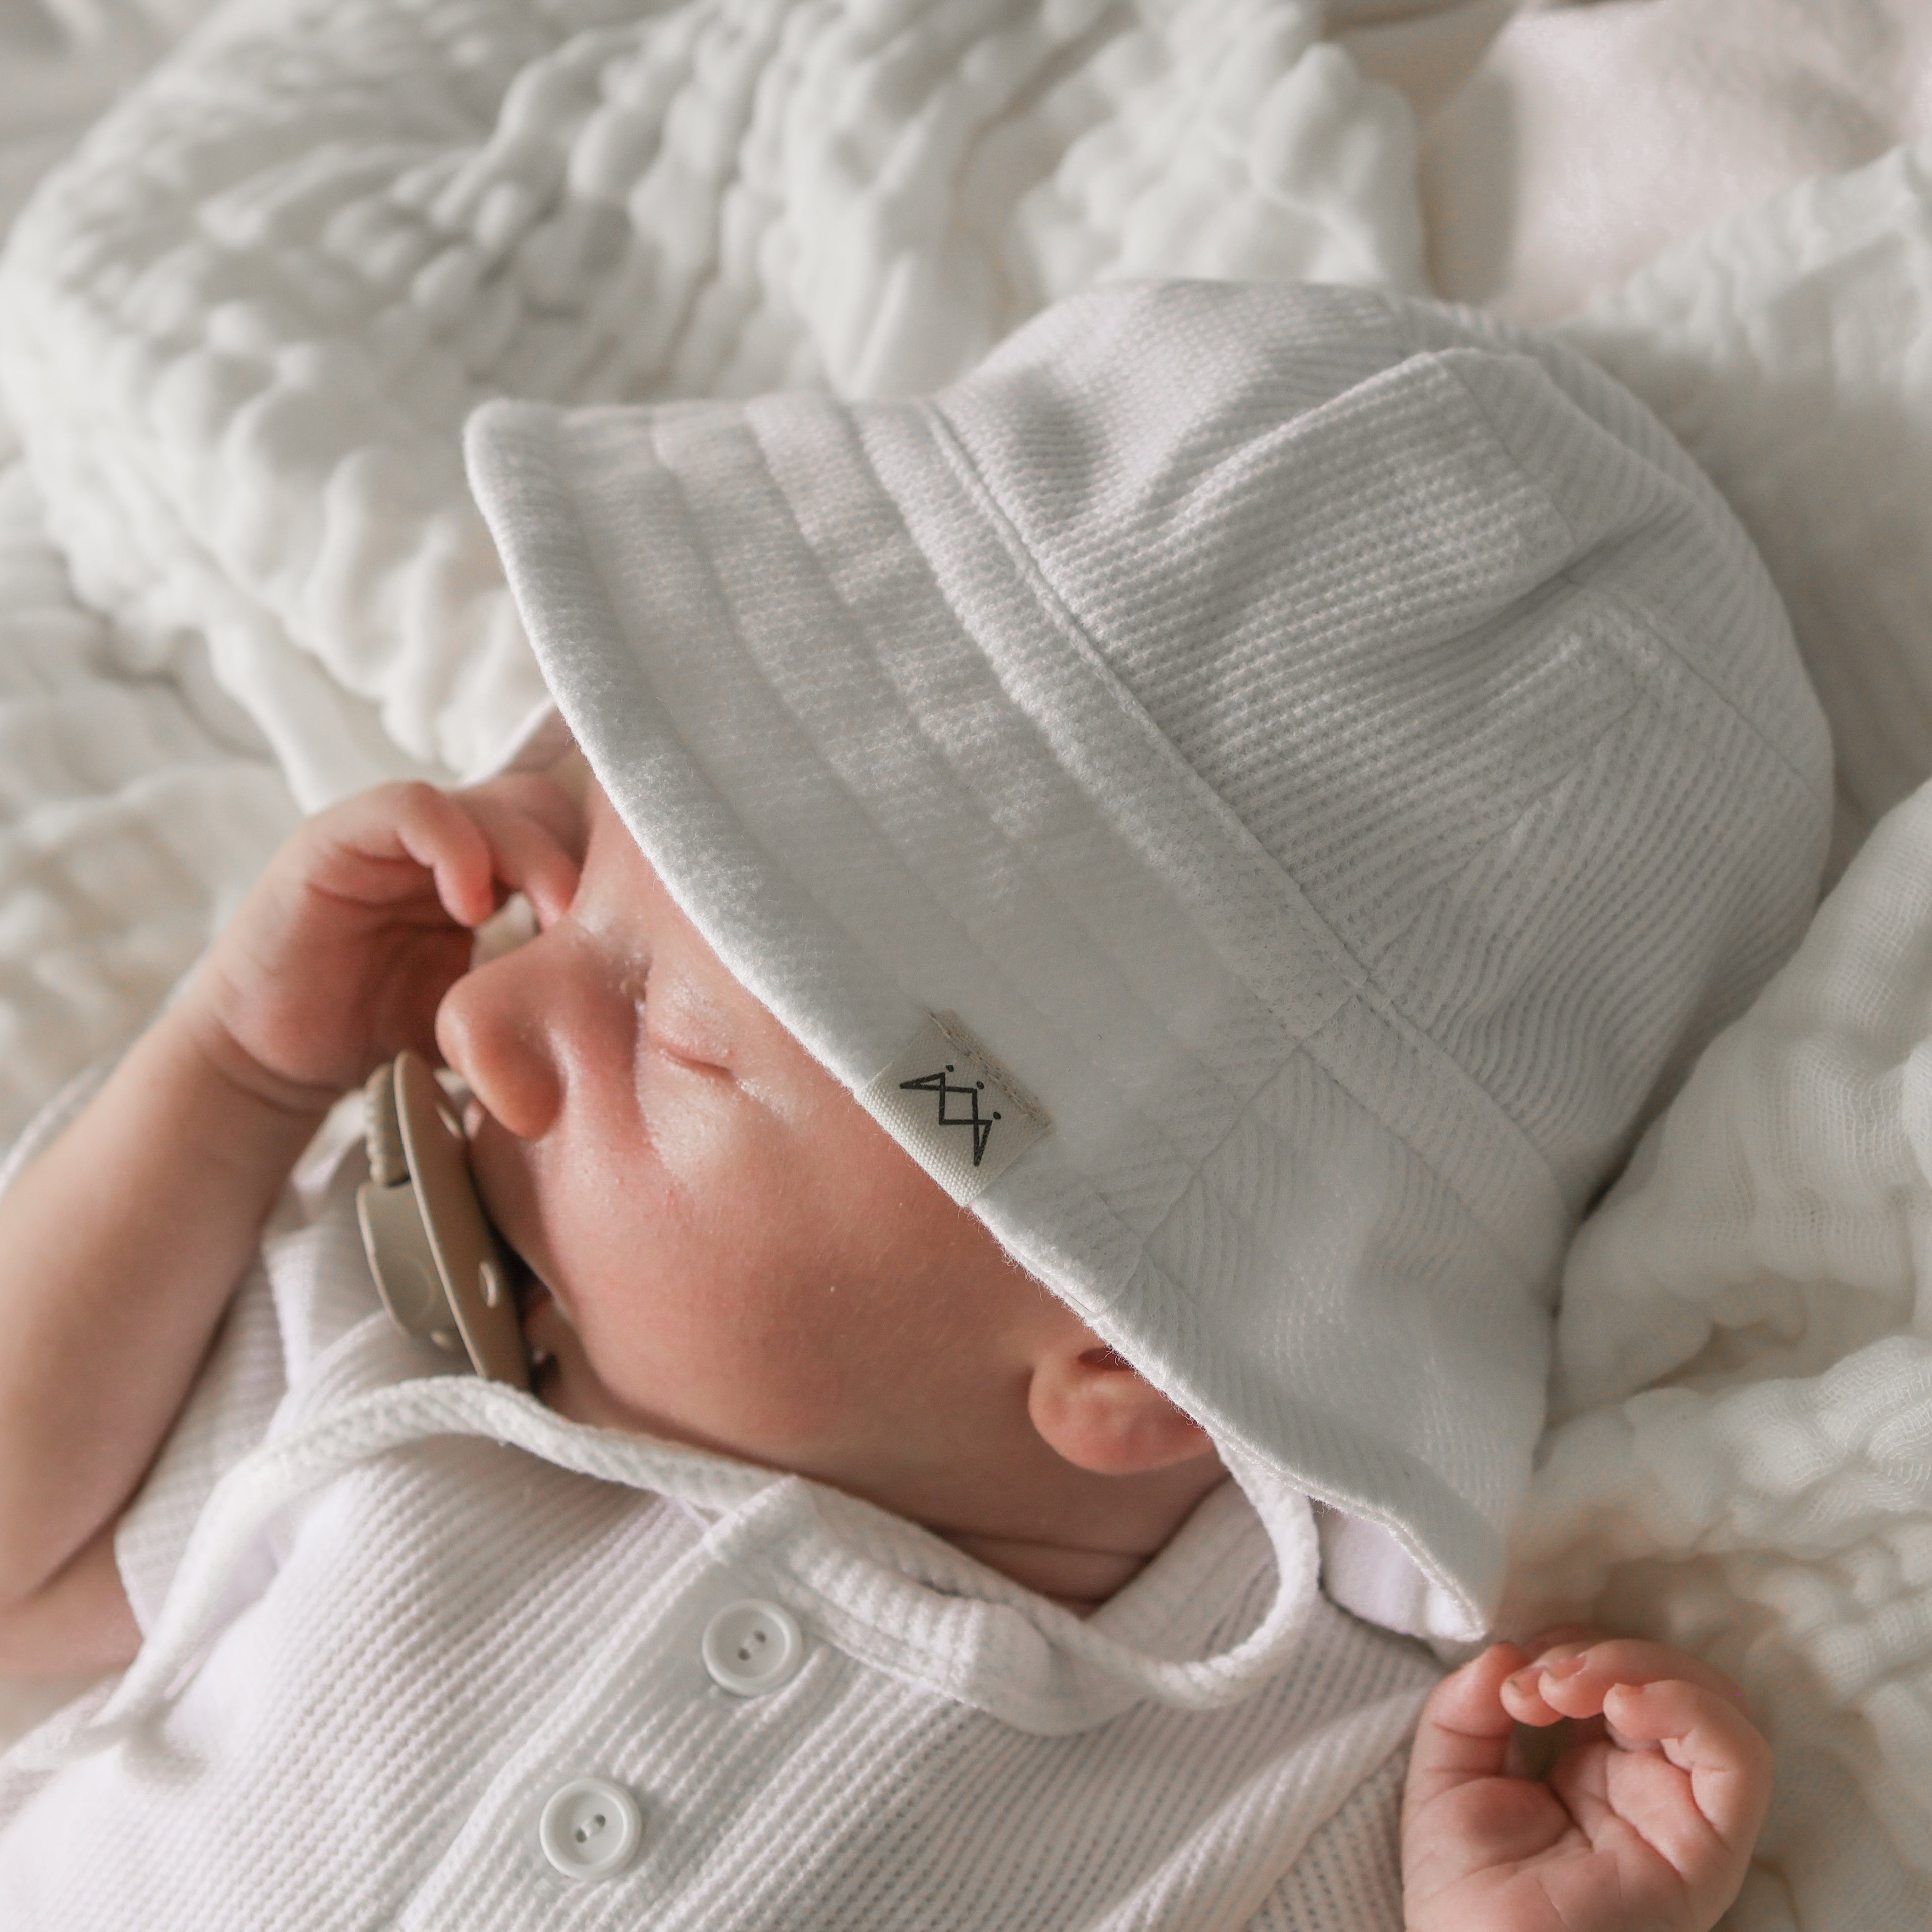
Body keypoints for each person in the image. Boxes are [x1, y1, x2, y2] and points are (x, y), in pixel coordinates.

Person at [0, 279, 1826, 1929]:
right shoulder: (405, 1382)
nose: (492, 1018)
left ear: (1127, 1353)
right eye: (571, 905)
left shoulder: (1324, 1772)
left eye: (675, 1030)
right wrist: (233, 1074)